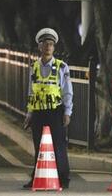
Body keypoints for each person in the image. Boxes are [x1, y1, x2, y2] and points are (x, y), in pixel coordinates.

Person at [23, 28, 73, 189]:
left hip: (55, 111)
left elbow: (67, 92)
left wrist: (67, 112)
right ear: (39, 46)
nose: (48, 47)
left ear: (54, 48)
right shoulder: (34, 66)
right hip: (38, 112)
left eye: (51, 44)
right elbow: (31, 91)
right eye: (45, 44)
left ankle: (63, 178)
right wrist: (29, 113)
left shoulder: (61, 67)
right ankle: (36, 177)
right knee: (38, 146)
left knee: (59, 145)